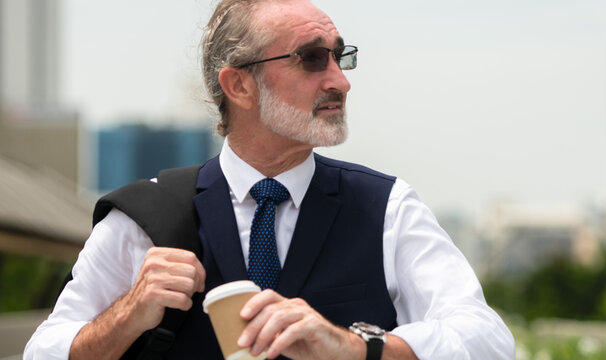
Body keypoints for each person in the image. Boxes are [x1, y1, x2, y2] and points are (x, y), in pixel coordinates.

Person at [25, 0, 514, 359]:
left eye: (339, 57)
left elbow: (488, 341)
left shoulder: (386, 207)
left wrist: (352, 347)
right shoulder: (145, 218)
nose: (341, 81)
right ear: (239, 84)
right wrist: (127, 314)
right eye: (311, 58)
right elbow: (43, 351)